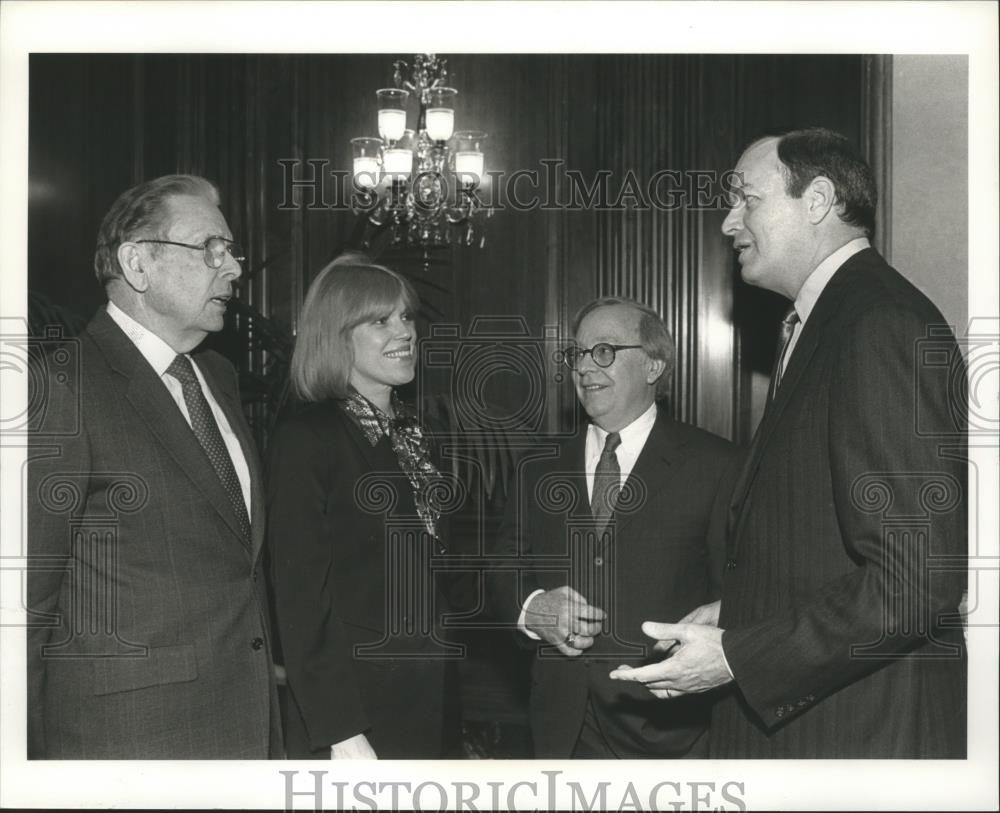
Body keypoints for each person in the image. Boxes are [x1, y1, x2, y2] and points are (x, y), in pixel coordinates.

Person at [610, 128, 968, 758]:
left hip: (857, 738)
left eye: (746, 199)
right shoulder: (830, 318)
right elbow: (827, 541)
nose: (728, 222)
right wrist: (738, 611)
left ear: (818, 199)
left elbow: (915, 580)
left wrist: (739, 656)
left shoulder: (879, 322)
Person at [27, 174, 281, 758]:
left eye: (232, 250)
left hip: (243, 730)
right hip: (126, 746)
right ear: (137, 264)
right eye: (210, 248)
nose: (234, 268)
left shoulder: (217, 377)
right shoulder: (59, 389)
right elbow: (22, 612)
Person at [492, 297, 738, 758]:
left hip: (674, 733)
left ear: (653, 365)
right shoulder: (538, 467)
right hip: (561, 730)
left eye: (603, 351)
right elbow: (503, 569)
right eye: (577, 354)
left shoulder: (717, 465)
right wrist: (533, 609)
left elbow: (745, 589)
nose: (584, 368)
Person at [268, 259, 459, 759]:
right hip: (353, 715)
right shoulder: (306, 438)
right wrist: (340, 729)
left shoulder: (418, 436)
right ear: (336, 335)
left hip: (430, 699)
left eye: (406, 317)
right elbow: (301, 598)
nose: (405, 332)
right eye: (381, 321)